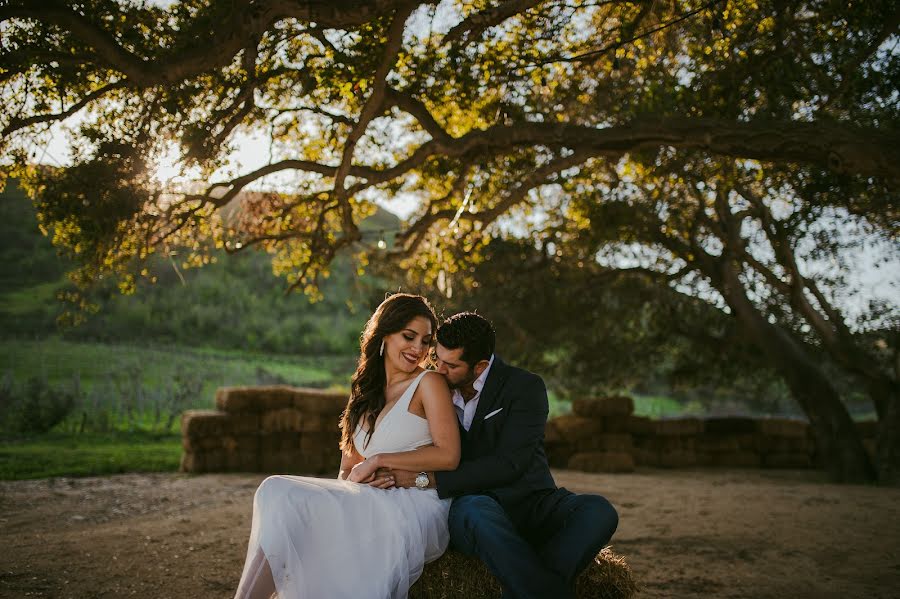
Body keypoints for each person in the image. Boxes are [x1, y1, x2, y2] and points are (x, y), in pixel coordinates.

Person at [233, 293, 460, 599]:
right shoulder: (364, 392)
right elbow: (347, 470)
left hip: (412, 501)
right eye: (409, 336)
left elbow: (449, 455)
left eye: (425, 341)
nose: (418, 349)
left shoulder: (429, 383)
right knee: (275, 491)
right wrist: (356, 477)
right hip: (366, 494)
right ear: (385, 334)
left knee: (286, 495)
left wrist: (378, 459)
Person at [384, 312, 619, 599]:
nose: (439, 369)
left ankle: (535, 590)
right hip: (473, 510)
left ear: (480, 366)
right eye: (437, 359)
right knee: (476, 510)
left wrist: (426, 479)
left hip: (532, 502)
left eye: (451, 365)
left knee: (599, 510)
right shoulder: (433, 388)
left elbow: (511, 464)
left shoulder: (525, 387)